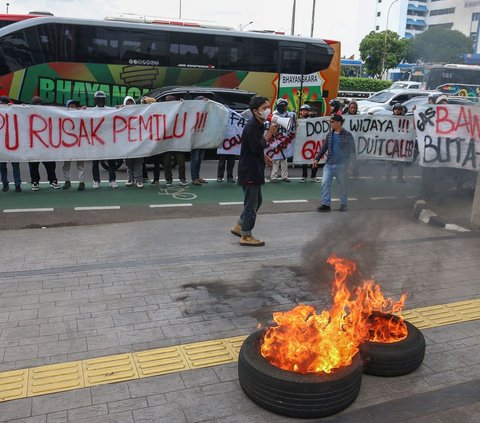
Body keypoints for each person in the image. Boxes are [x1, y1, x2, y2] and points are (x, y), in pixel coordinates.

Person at [231, 95, 276, 246]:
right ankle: (246, 235)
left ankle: (239, 225)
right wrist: (269, 134)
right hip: (250, 170)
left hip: (254, 167)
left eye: (268, 107)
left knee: (258, 200)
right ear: (255, 111)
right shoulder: (252, 126)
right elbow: (256, 146)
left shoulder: (258, 124)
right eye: (264, 108)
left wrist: (264, 157)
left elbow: (255, 148)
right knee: (251, 204)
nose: (268, 110)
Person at [313, 114, 355, 212]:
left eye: (332, 122)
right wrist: (316, 159)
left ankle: (344, 204)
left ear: (339, 123)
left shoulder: (348, 135)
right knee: (325, 183)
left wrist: (351, 164)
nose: (330, 123)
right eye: (330, 122)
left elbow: (352, 151)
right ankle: (326, 204)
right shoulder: (329, 135)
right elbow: (324, 147)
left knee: (343, 185)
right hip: (329, 164)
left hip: (342, 165)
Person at [28, 96, 60, 191]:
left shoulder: (47, 113)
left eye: (39, 104)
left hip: (46, 145)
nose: (38, 106)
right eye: (35, 104)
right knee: (33, 165)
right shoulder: (27, 113)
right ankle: (35, 181)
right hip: (33, 145)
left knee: (50, 164)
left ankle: (53, 180)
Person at [91, 91, 118, 189]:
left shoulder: (110, 110)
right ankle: (96, 180)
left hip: (108, 139)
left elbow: (119, 114)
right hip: (96, 140)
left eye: (102, 99)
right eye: (98, 99)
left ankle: (112, 180)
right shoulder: (90, 111)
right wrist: (82, 110)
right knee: (95, 162)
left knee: (111, 161)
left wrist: (120, 109)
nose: (100, 100)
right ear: (95, 100)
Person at [62, 99, 86, 191]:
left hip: (79, 143)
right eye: (71, 106)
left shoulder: (81, 115)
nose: (73, 108)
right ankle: (67, 181)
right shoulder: (63, 117)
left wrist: (86, 110)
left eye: (74, 106)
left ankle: (81, 182)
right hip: (67, 144)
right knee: (66, 164)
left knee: (80, 164)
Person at [0, 96, 21, 192]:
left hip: (13, 143)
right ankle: (5, 183)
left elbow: (24, 111)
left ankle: (17, 184)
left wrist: (14, 107)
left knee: (15, 165)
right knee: (2, 166)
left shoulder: (14, 112)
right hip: (2, 145)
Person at [269, 98, 293, 183]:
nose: (285, 107)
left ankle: (284, 176)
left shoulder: (288, 114)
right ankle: (274, 176)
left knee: (284, 157)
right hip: (276, 138)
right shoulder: (274, 114)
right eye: (284, 105)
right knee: (276, 158)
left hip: (285, 138)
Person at [123, 96, 144, 189]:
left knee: (138, 163)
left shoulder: (140, 112)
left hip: (137, 142)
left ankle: (139, 180)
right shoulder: (121, 113)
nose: (130, 105)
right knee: (129, 163)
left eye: (131, 102)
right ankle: (130, 179)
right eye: (127, 103)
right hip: (127, 142)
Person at [299, 104, 320, 183]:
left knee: (315, 160)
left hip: (314, 143)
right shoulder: (302, 120)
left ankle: (313, 176)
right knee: (304, 160)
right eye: (302, 110)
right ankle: (304, 176)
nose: (303, 112)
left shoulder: (316, 120)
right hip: (305, 143)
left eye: (305, 110)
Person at [190, 96, 209, 186]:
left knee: (199, 159)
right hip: (195, 139)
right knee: (195, 159)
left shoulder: (205, 112)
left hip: (202, 138)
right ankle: (194, 178)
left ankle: (197, 176)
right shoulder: (192, 112)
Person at [386, 103, 406, 183]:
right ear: (393, 110)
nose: (397, 111)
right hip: (391, 143)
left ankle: (399, 178)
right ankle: (388, 178)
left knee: (401, 162)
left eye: (399, 109)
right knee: (388, 161)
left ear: (401, 110)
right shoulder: (390, 118)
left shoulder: (405, 119)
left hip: (400, 143)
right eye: (396, 109)